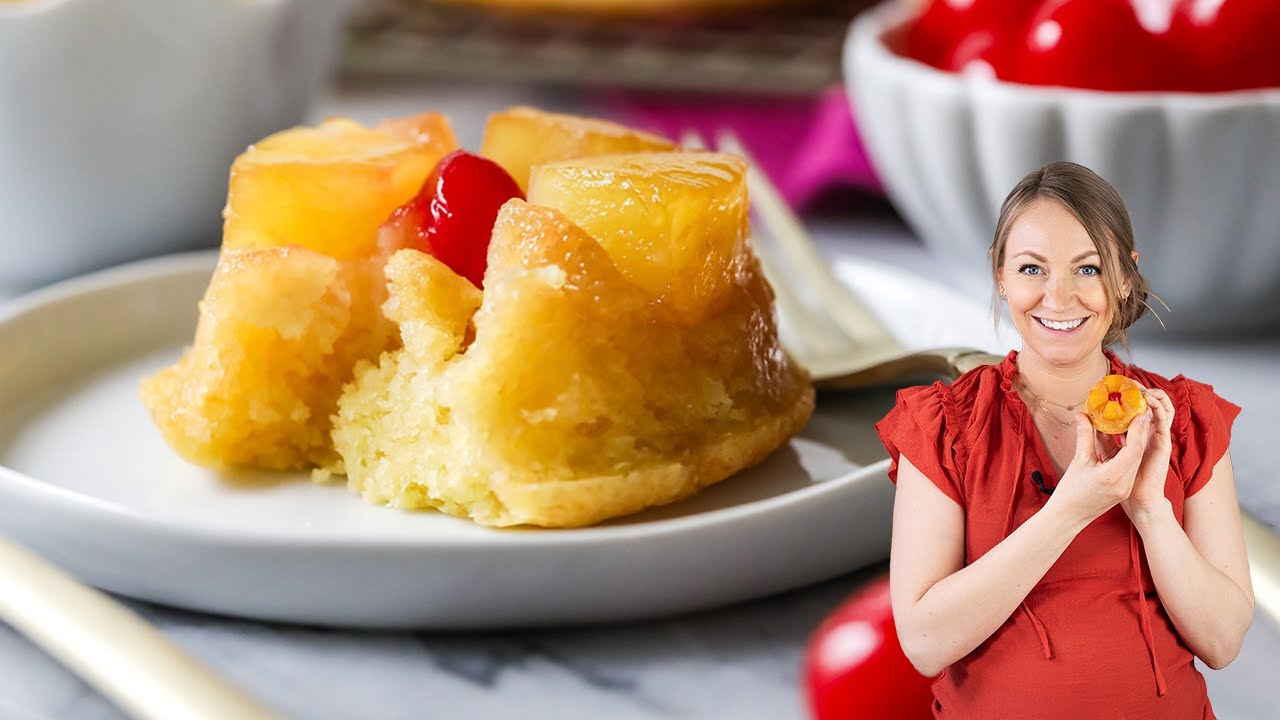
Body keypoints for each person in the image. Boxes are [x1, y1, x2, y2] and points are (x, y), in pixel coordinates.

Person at [875, 161, 1253, 718]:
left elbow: (1222, 642)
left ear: (1125, 275)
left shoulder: (1185, 420)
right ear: (1000, 275)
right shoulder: (944, 426)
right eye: (1032, 268)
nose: (1058, 297)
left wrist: (1150, 512)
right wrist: (1068, 512)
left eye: (1088, 268)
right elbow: (925, 643)